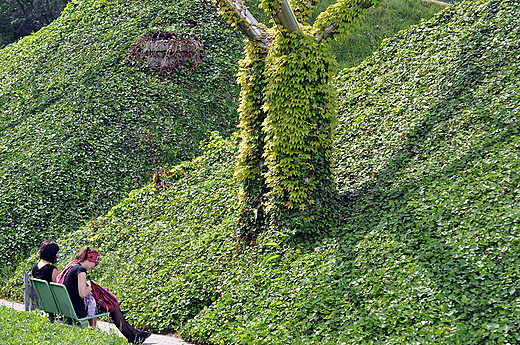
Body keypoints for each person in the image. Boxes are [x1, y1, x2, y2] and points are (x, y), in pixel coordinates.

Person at [60, 246, 151, 344]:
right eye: (95, 264)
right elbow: (82, 294)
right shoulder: (81, 270)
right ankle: (133, 336)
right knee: (112, 306)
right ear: (89, 259)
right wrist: (91, 287)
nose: (93, 268)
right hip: (78, 310)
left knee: (112, 306)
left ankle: (134, 334)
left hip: (69, 308)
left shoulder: (71, 266)